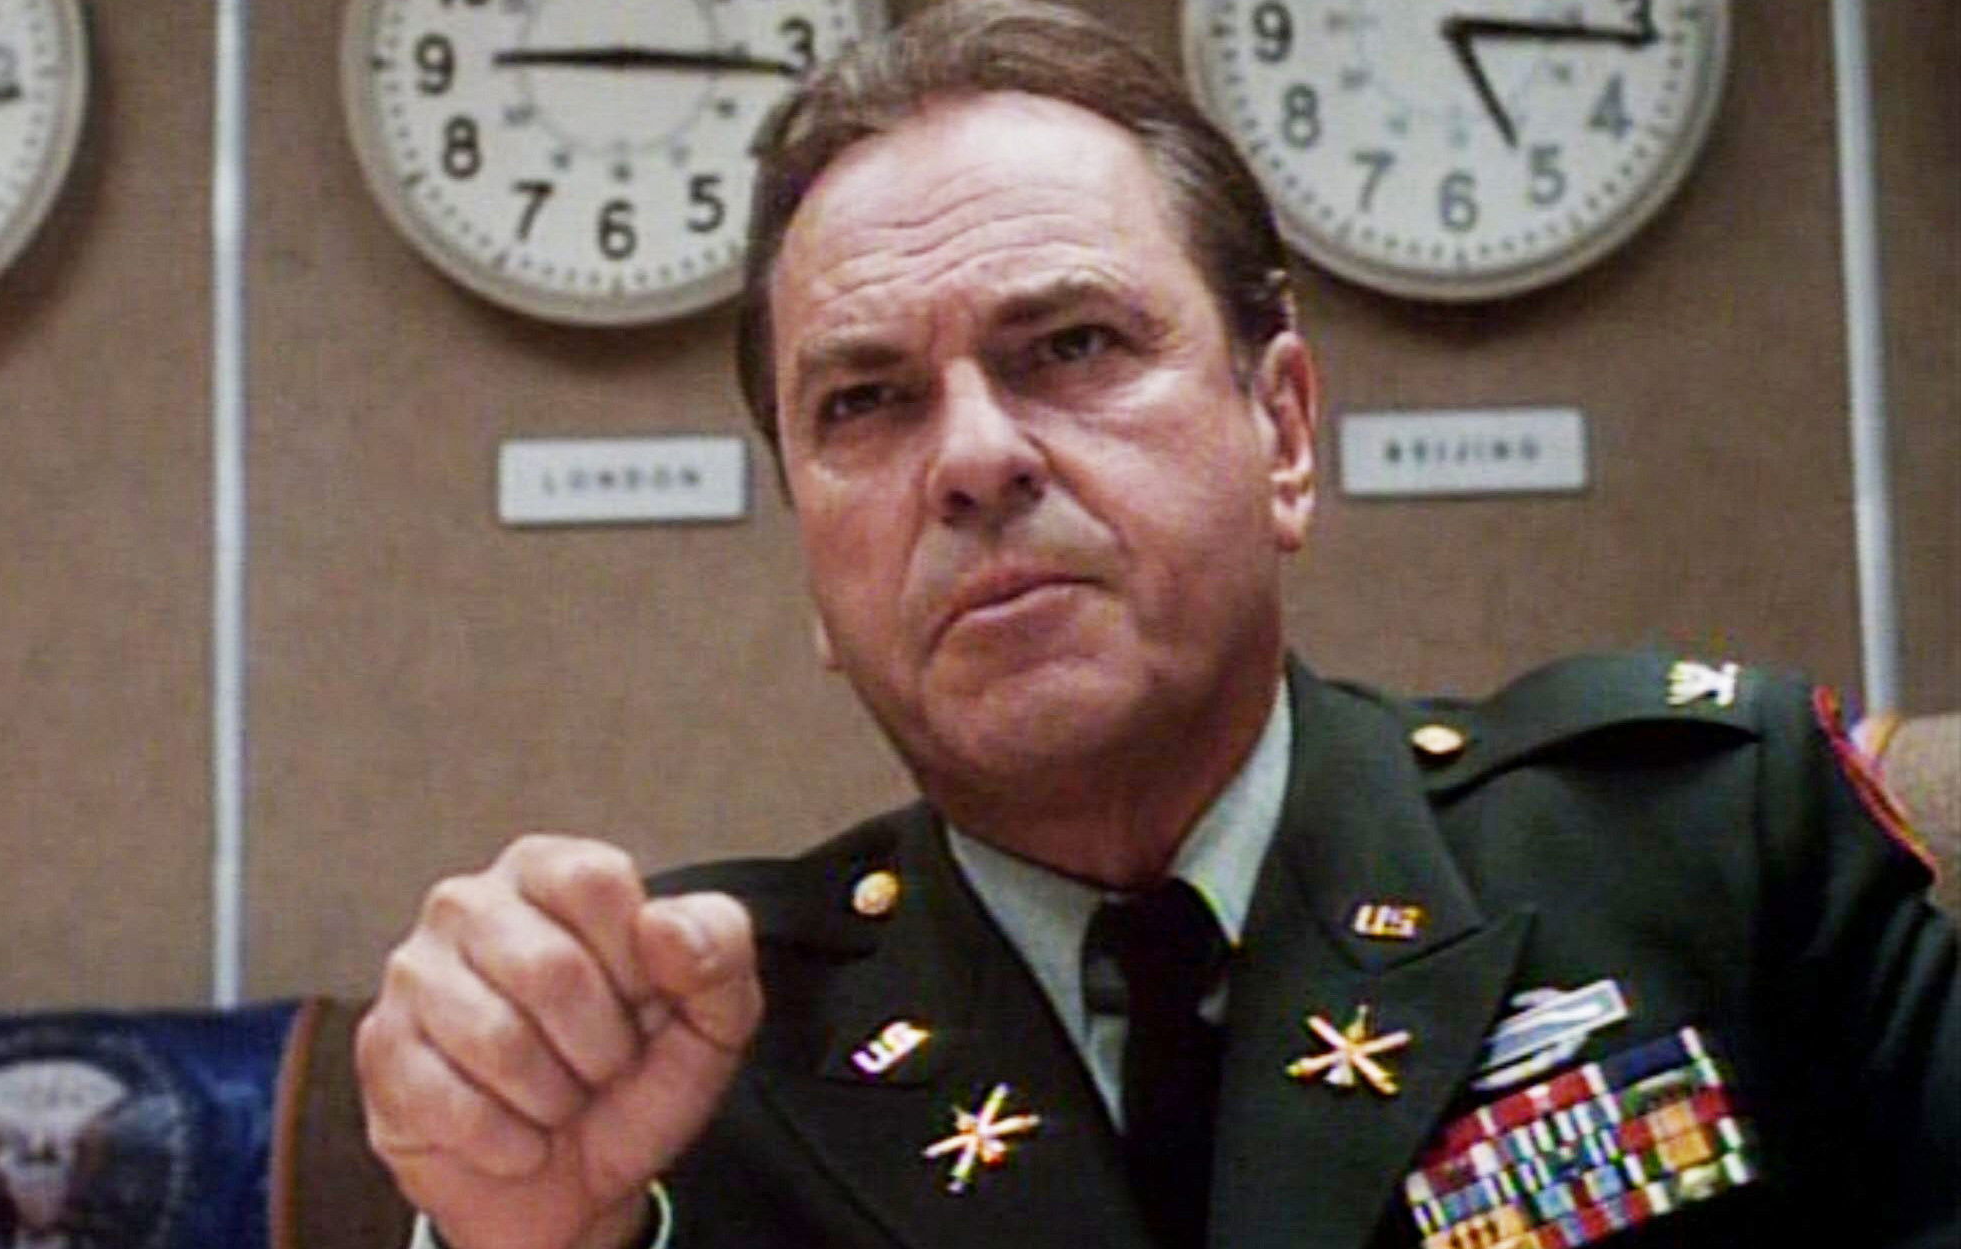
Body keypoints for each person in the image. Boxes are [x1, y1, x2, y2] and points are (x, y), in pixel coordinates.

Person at [352, 4, 1961, 1247]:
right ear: (813, 572)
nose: (975, 457)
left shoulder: (1703, 841)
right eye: (867, 401)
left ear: (1284, 430)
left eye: (1069, 345)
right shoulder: (683, 1056)